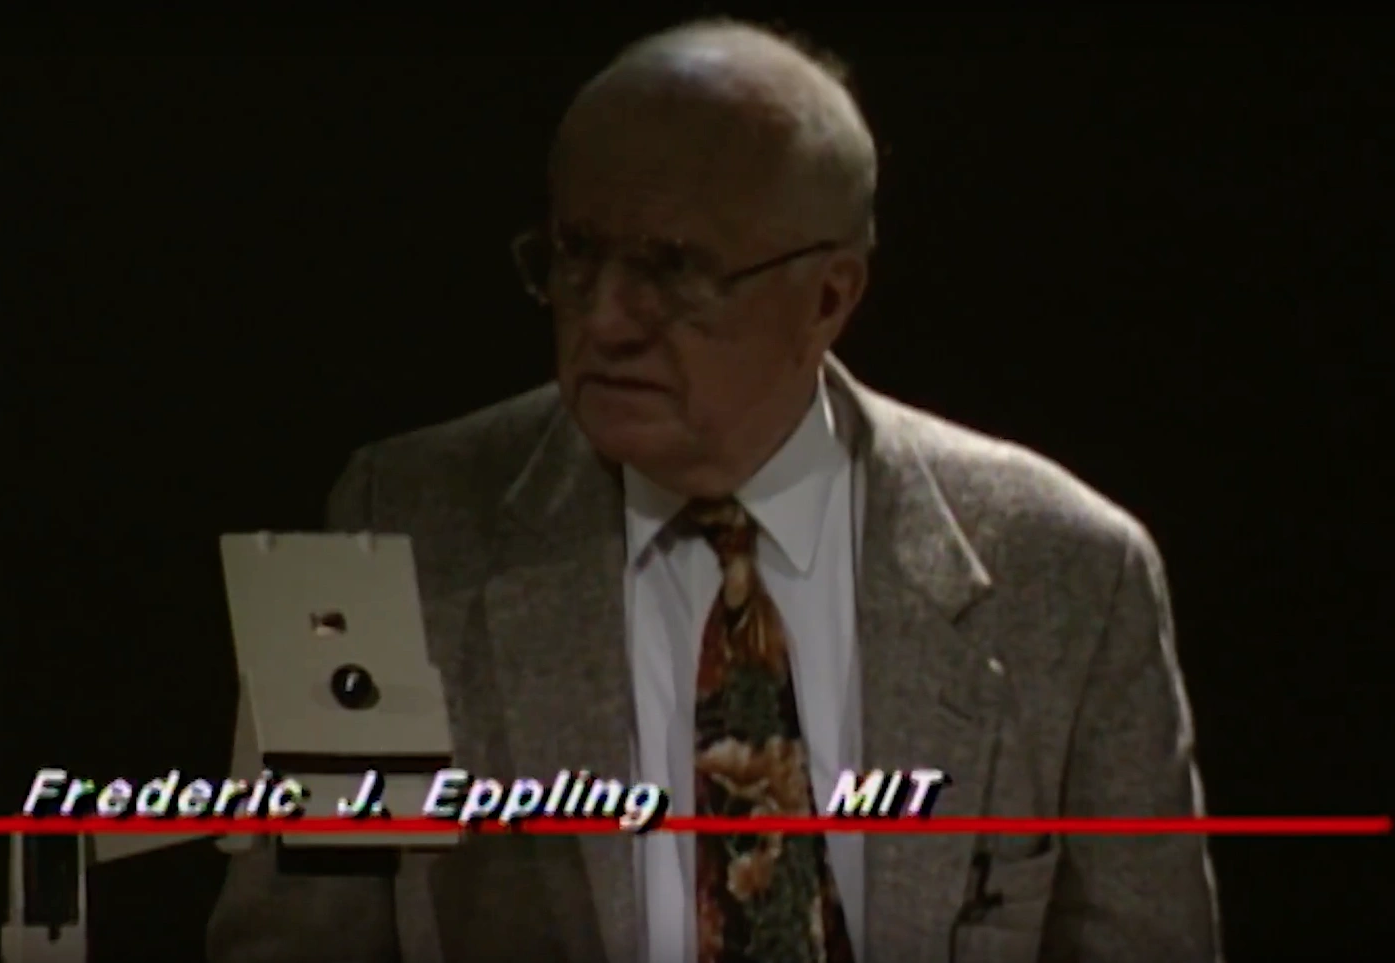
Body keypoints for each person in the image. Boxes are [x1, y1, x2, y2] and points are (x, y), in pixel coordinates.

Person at [207, 17, 1222, 963]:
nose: (603, 320)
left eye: (672, 269)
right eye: (575, 254)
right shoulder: (389, 523)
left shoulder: (1073, 576)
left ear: (829, 296)